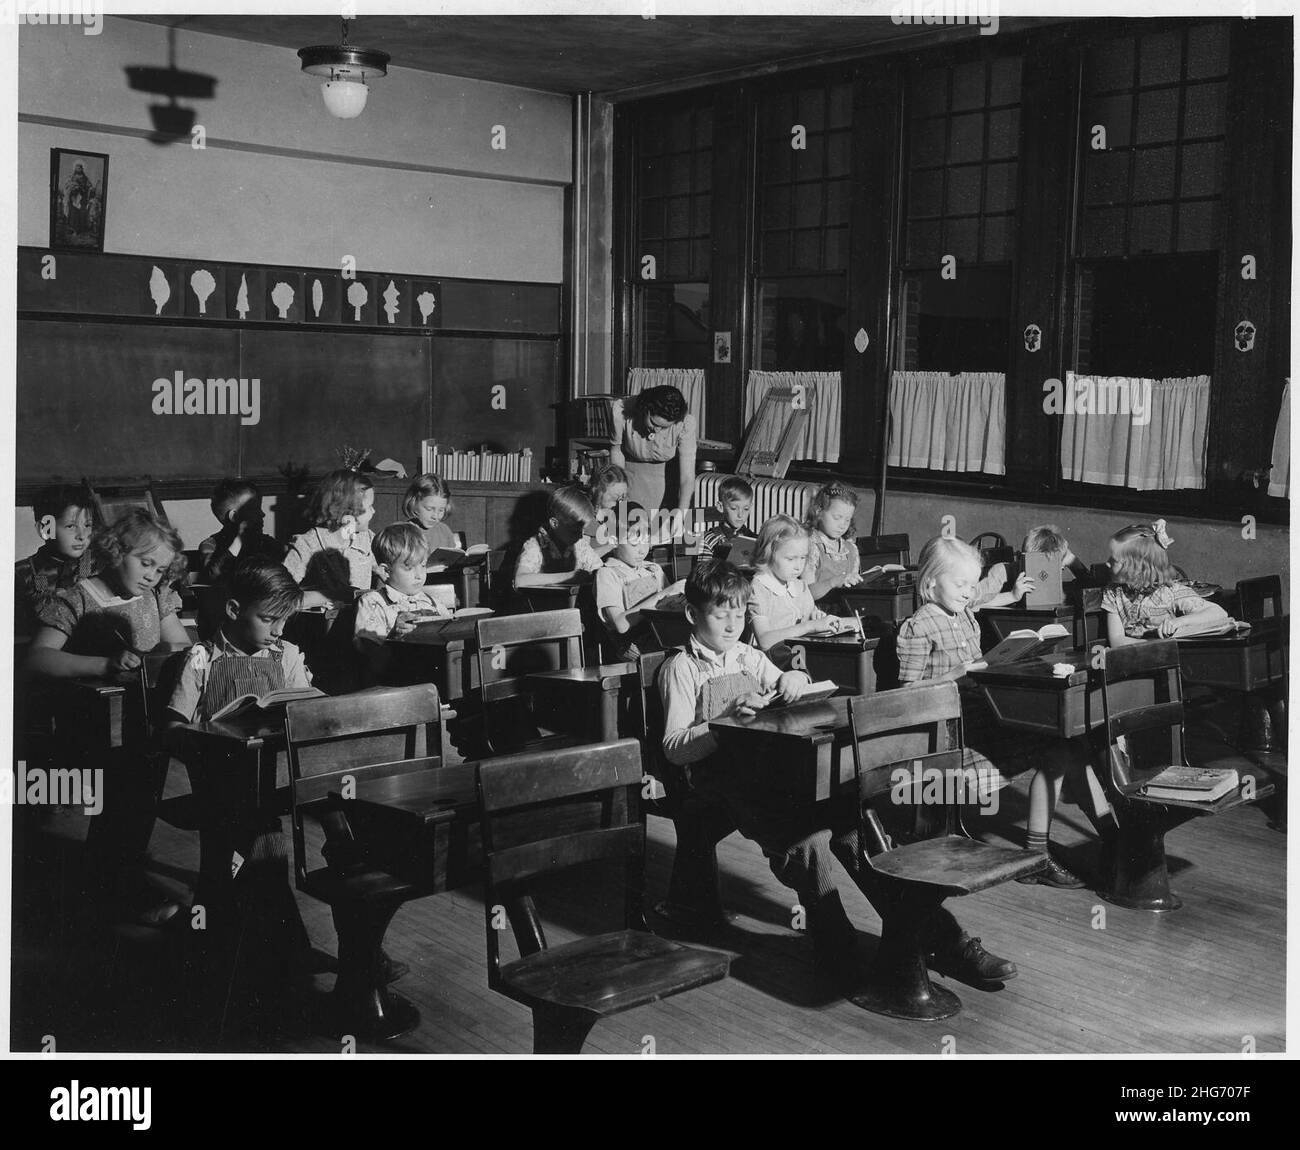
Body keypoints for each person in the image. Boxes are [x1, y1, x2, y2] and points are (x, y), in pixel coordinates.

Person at [660, 560, 1017, 989]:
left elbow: (786, 683)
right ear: (692, 615)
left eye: (740, 612)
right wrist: (722, 721)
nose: (735, 623)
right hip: (725, 785)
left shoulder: (749, 656)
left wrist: (792, 678)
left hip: (775, 774)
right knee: (807, 843)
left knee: (855, 828)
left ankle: (946, 941)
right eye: (722, 614)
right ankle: (839, 949)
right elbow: (675, 749)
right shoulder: (681, 668)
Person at [897, 536, 1108, 888]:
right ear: (931, 582)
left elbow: (980, 619)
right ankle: (1042, 854)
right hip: (950, 733)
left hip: (983, 716)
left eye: (971, 584)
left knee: (1068, 742)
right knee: (1057, 748)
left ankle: (1107, 834)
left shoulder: (963, 615)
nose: (968, 592)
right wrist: (955, 674)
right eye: (960, 583)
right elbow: (904, 697)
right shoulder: (918, 627)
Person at [27, 508, 191, 924]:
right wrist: (103, 664)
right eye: (145, 562)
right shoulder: (77, 597)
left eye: (161, 567)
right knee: (122, 803)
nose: (153, 574)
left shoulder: (156, 597)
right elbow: (39, 659)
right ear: (115, 551)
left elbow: (178, 647)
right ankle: (115, 888)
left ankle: (118, 880)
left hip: (147, 720)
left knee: (138, 806)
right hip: (92, 722)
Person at [1102, 520, 1232, 646]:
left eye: (1114, 560)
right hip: (1137, 658)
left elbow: (1219, 613)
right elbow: (1117, 640)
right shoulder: (1114, 593)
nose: (1107, 563)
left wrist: (1179, 622)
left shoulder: (1169, 591)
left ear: (1137, 567)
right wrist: (1160, 645)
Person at [747, 514, 845, 653]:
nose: (798, 566)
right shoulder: (759, 588)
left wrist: (816, 618)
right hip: (768, 662)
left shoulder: (800, 586)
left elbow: (810, 618)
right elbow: (764, 641)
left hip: (797, 655)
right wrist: (810, 626)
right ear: (768, 553)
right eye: (791, 559)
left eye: (803, 557)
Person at [283, 469, 378, 607]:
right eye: (369, 507)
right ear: (347, 515)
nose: (374, 511)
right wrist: (331, 596)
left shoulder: (367, 539)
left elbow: (386, 571)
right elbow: (281, 595)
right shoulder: (308, 544)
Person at [607, 385, 697, 522]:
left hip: (668, 484)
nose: (657, 431)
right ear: (646, 409)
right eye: (654, 423)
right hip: (631, 480)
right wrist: (620, 493)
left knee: (665, 535)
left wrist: (681, 514)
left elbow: (687, 477)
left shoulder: (686, 423)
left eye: (665, 427)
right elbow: (616, 451)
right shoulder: (622, 411)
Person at [354, 524, 451, 648]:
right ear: (386, 571)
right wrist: (394, 633)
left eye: (423, 565)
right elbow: (366, 648)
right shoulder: (373, 602)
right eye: (409, 568)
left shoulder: (433, 602)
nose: (419, 575)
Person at [14, 484, 94, 636]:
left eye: (88, 525)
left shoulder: (98, 565)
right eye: (71, 526)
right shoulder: (21, 573)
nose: (82, 535)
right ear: (45, 529)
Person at [594, 503, 667, 661]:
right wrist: (664, 595)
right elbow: (621, 625)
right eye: (634, 543)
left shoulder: (653, 569)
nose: (642, 550)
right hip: (632, 647)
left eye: (646, 540)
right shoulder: (607, 574)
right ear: (614, 540)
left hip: (661, 639)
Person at [513, 485, 603, 587]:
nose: (581, 536)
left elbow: (599, 570)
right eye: (574, 531)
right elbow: (520, 580)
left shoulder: (580, 545)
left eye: (583, 530)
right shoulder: (536, 545)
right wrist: (569, 577)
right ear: (554, 523)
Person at [198, 478, 283, 584]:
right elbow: (214, 575)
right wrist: (239, 541)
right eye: (255, 509)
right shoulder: (211, 545)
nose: (262, 514)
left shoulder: (266, 543)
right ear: (234, 517)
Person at [802, 482, 863, 603]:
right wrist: (832, 582)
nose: (842, 525)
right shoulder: (809, 545)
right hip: (817, 614)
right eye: (837, 517)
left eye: (847, 520)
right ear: (819, 512)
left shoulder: (851, 549)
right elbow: (806, 593)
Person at [697, 476, 756, 562]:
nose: (740, 514)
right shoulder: (707, 540)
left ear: (751, 507)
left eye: (746, 509)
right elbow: (704, 573)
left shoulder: (753, 539)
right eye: (733, 508)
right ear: (721, 507)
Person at [404, 473, 458, 553]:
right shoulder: (404, 533)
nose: (435, 516)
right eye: (429, 509)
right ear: (414, 503)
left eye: (441, 510)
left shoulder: (445, 531)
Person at [585, 463, 629, 558]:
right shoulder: (586, 517)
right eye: (614, 497)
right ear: (597, 491)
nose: (620, 502)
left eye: (623, 497)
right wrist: (612, 546)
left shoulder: (619, 513)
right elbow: (583, 558)